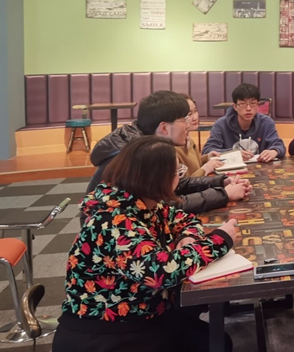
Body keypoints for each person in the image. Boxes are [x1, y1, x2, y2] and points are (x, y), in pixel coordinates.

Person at [53, 136, 240, 352]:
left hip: (143, 312)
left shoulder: (143, 203)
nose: (180, 176)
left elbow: (185, 220)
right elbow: (160, 272)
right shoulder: (113, 221)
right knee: (212, 344)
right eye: (177, 171)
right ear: (157, 179)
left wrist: (185, 237)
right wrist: (220, 240)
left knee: (215, 340)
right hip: (107, 330)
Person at [87, 90, 251, 214]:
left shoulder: (149, 143)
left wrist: (220, 182)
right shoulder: (141, 155)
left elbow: (175, 184)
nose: (188, 124)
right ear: (164, 128)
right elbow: (167, 205)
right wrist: (224, 194)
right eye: (184, 119)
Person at [202, 83, 286, 163]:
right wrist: (233, 154)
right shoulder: (221, 124)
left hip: (260, 168)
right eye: (243, 104)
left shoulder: (266, 122)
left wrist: (274, 151)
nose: (248, 108)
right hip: (231, 170)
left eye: (252, 103)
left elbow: (279, 145)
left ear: (257, 105)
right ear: (235, 106)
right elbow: (207, 151)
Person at [177, 93, 225, 176]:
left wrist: (207, 158)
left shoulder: (189, 141)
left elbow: (194, 165)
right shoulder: (173, 149)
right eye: (189, 114)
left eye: (195, 111)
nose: (195, 117)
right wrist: (207, 167)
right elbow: (185, 182)